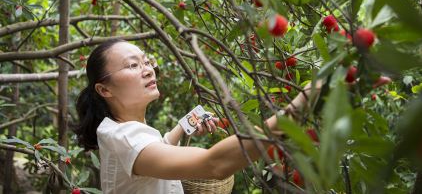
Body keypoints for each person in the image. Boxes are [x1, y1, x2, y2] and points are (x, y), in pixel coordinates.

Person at [74, 39, 320, 193]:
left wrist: (185, 124)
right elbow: (215, 164)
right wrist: (297, 108)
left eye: (146, 62)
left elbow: (157, 149)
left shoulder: (126, 131)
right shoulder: (125, 138)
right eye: (132, 65)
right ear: (104, 89)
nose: (148, 70)